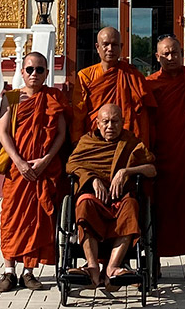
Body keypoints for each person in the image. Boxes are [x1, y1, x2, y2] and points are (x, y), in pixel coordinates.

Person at [0, 52, 68, 292]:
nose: (34, 74)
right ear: (21, 72)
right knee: (11, 218)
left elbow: (60, 134)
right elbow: (4, 132)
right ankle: (8, 271)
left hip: (43, 170)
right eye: (29, 69)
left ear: (47, 73)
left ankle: (29, 271)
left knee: (38, 219)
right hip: (18, 171)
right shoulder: (12, 98)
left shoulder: (53, 97)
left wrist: (46, 160)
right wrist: (19, 162)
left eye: (39, 70)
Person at [66, 103, 157, 288]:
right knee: (83, 204)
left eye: (115, 122)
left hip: (121, 199)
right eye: (105, 122)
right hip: (94, 198)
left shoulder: (131, 142)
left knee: (132, 206)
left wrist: (126, 171)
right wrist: (91, 179)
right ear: (97, 123)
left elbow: (152, 169)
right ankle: (92, 266)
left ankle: (113, 268)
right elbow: (71, 165)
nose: (110, 126)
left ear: (123, 122)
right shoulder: (87, 142)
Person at [146, 34, 185, 282]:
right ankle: (155, 261)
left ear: (182, 53)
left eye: (175, 53)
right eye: (166, 54)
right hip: (160, 155)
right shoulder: (150, 84)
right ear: (157, 57)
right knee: (159, 209)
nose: (171, 58)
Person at [69, 26, 156, 145]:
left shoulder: (133, 76)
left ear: (121, 47)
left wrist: (143, 142)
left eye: (114, 45)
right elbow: (78, 114)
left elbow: (143, 115)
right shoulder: (85, 76)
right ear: (97, 47)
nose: (110, 49)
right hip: (96, 137)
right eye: (105, 44)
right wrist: (77, 141)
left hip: (126, 137)